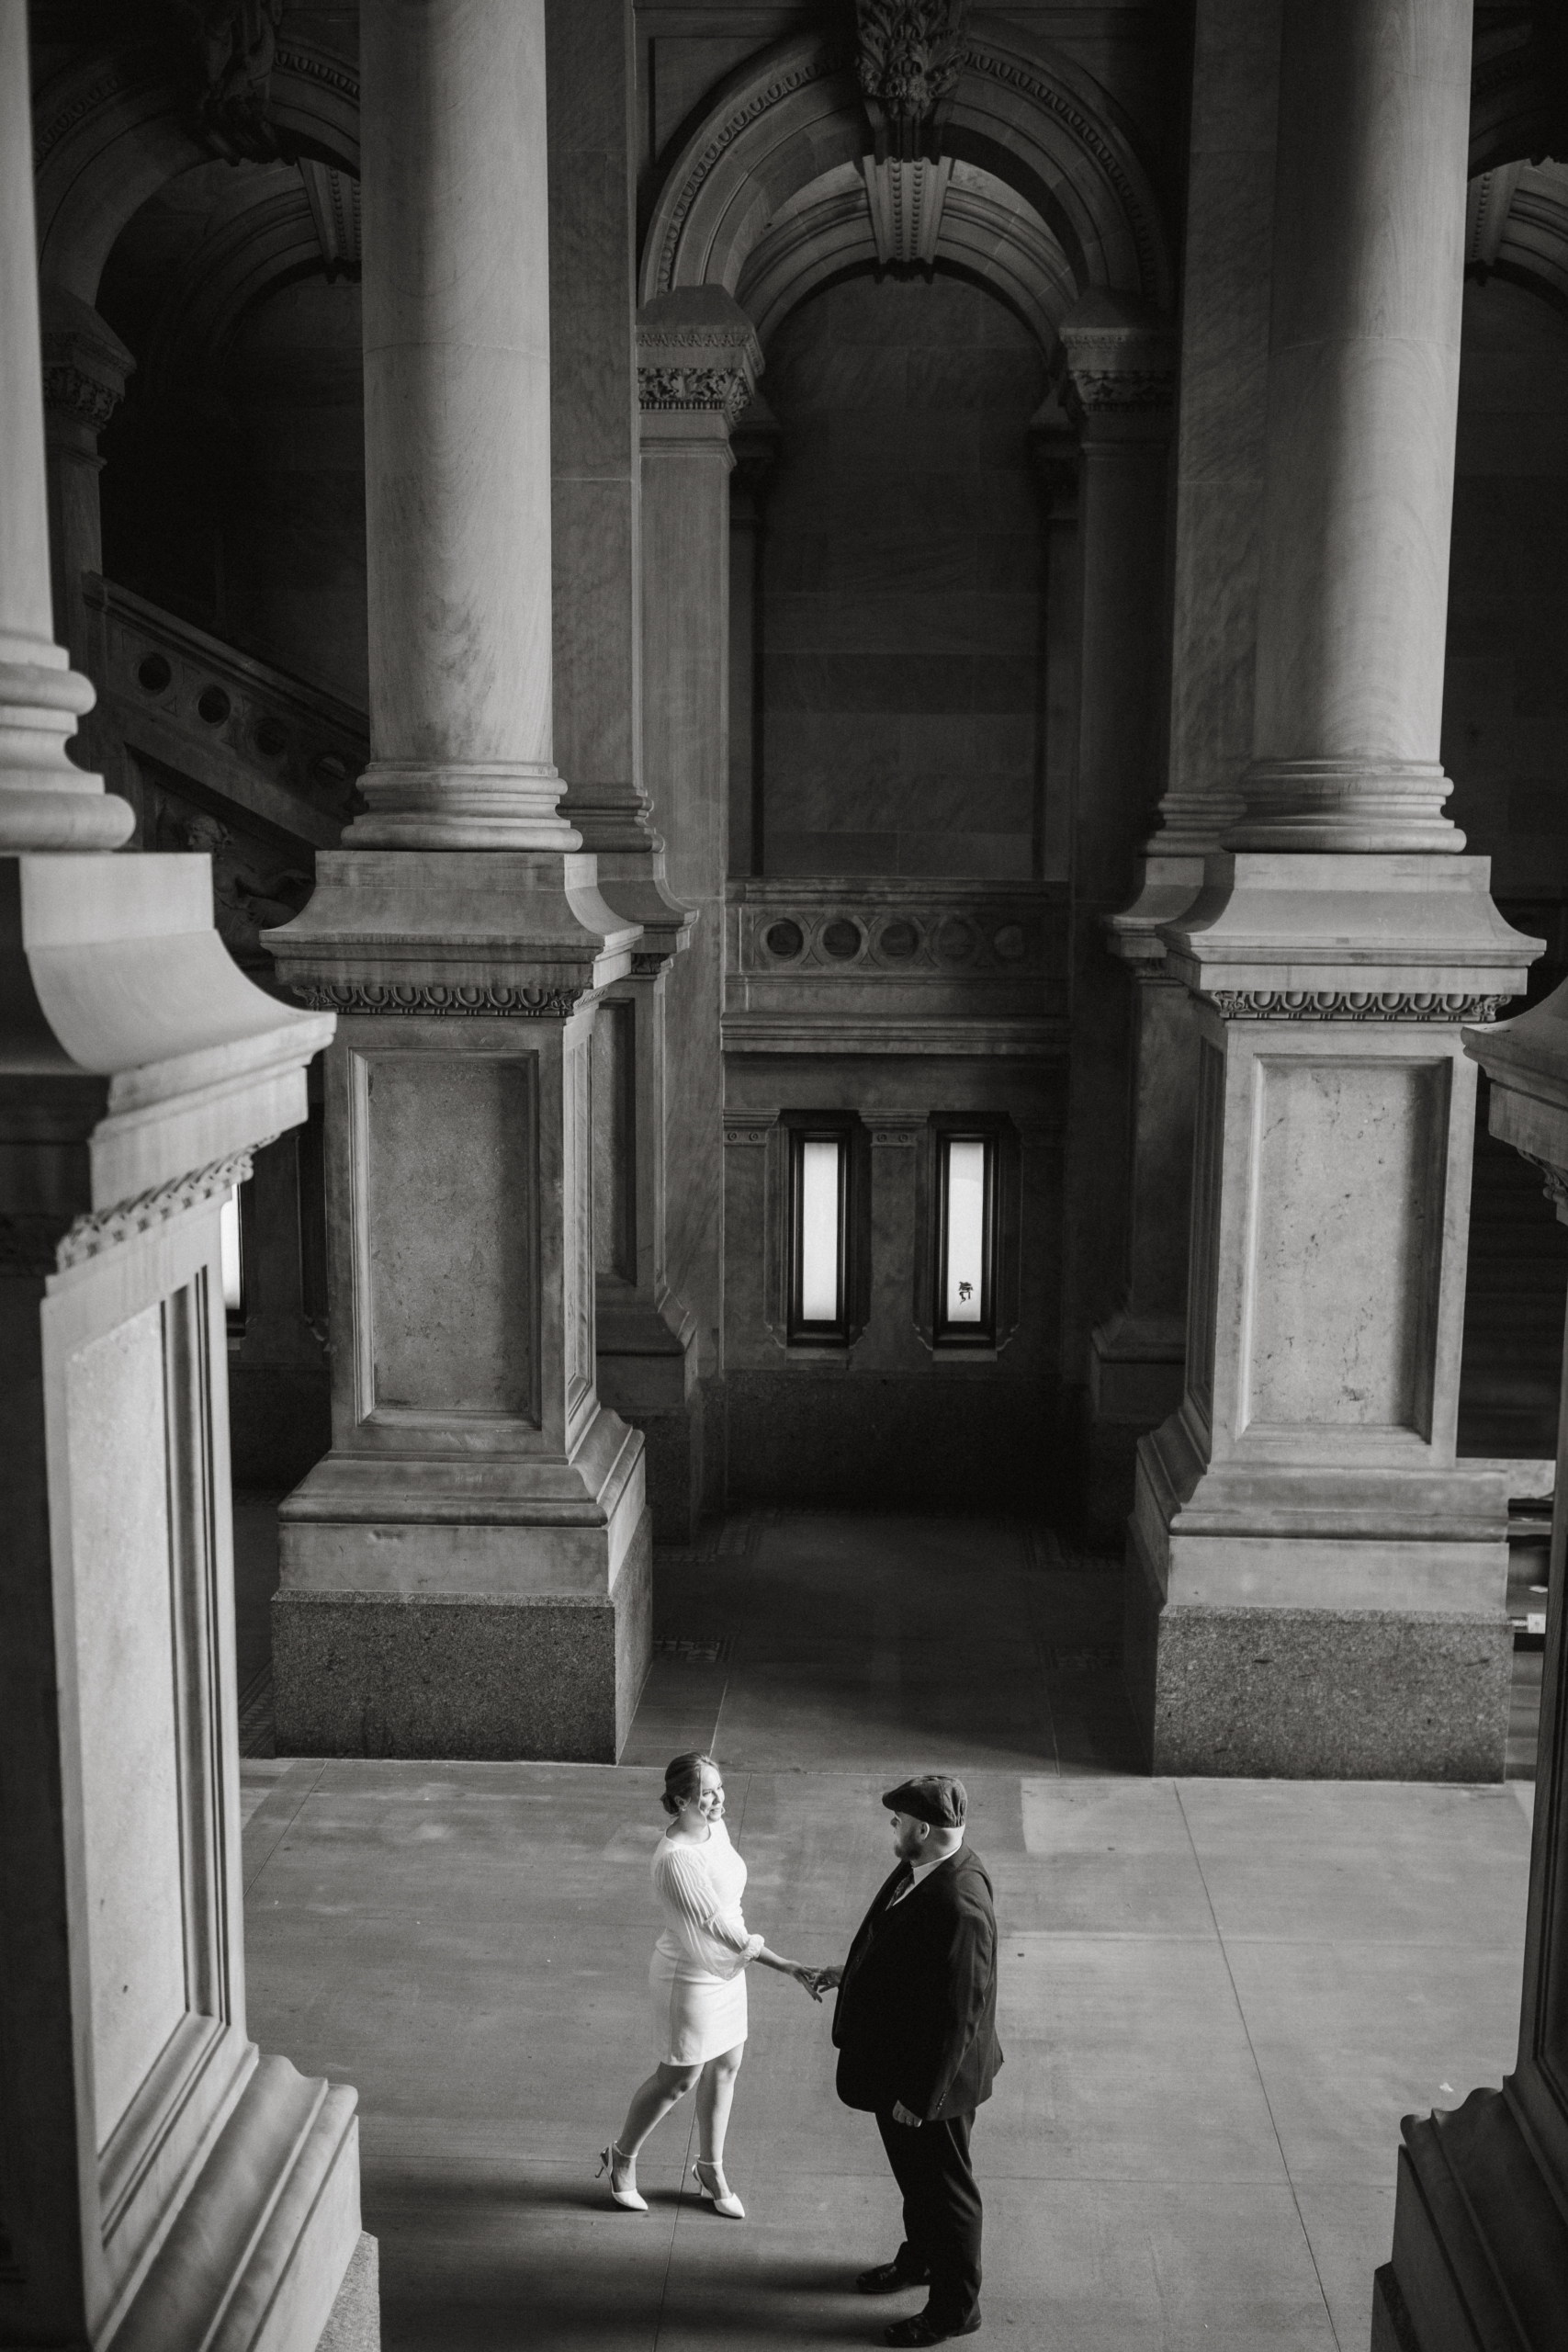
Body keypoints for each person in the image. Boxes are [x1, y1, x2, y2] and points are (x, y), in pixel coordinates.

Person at [816, 1774, 1001, 2346]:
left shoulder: (960, 1901)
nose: (892, 1827)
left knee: (949, 2194)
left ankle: (954, 2310)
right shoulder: (923, 1868)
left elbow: (960, 2016)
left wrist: (923, 2099)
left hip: (932, 2086)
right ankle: (919, 2259)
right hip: (899, 2068)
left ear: (923, 1829)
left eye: (898, 1821)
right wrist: (856, 1975)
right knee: (917, 2181)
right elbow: (911, 1955)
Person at [598, 1750, 820, 2219]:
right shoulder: (675, 1860)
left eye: (719, 1787)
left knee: (727, 2065)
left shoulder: (713, 1827)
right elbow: (719, 1926)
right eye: (706, 1793)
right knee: (678, 2078)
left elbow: (728, 1907)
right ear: (680, 1801)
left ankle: (710, 2169)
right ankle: (621, 2157)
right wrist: (787, 1965)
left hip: (726, 1970)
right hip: (689, 1977)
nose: (718, 1798)